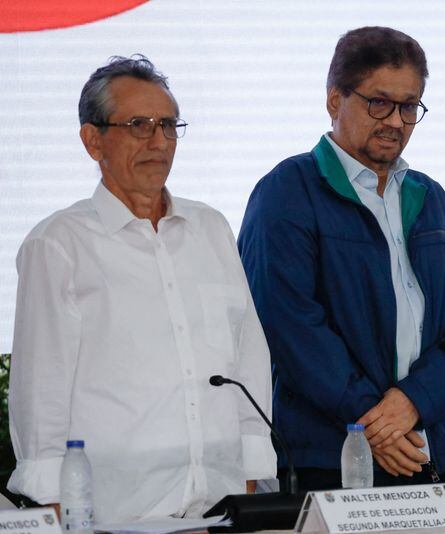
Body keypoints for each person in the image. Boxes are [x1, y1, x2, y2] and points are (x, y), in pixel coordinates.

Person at [7, 56, 276, 523]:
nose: (159, 141)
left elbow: (247, 355)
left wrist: (251, 482)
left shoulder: (209, 227)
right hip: (117, 513)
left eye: (169, 125)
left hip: (223, 505)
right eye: (139, 125)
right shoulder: (58, 244)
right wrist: (55, 510)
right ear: (93, 140)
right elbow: (40, 396)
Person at [238, 26, 445, 504]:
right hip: (330, 458)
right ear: (335, 100)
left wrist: (414, 402)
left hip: (436, 450)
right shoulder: (288, 192)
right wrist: (375, 421)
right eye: (379, 102)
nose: (395, 121)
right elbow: (290, 326)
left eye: (409, 106)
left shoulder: (431, 197)